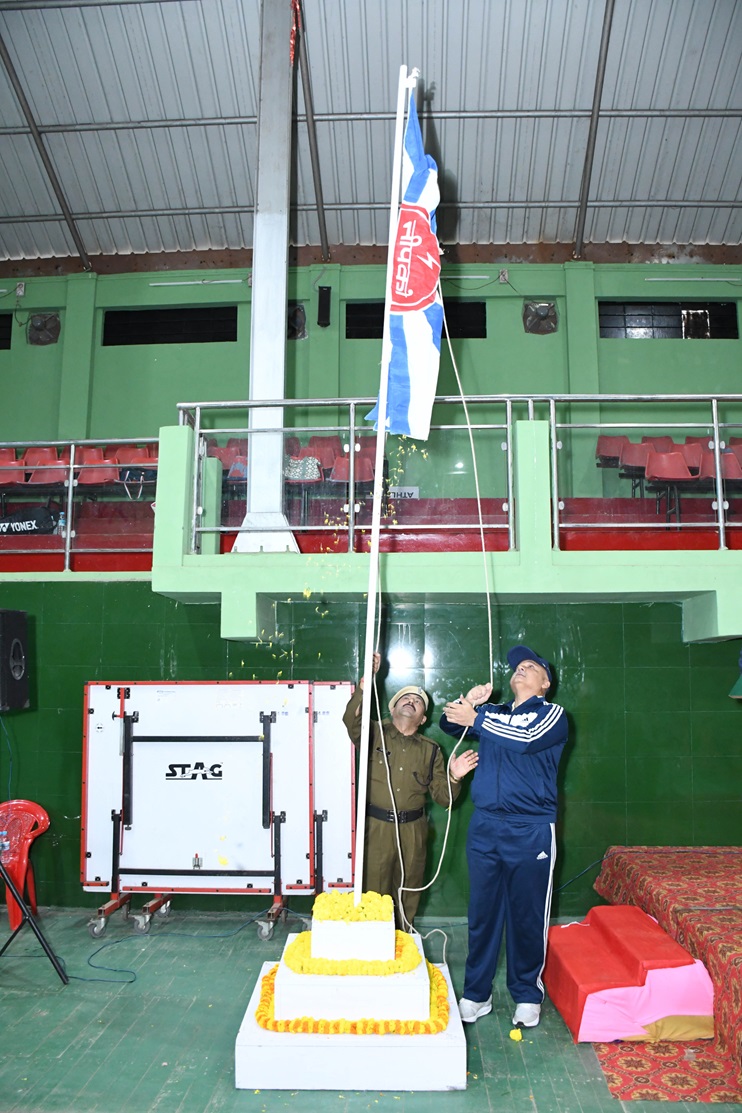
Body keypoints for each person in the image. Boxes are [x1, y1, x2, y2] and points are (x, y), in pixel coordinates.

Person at [440, 644, 568, 1029]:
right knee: (482, 914)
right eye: (517, 667)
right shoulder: (494, 713)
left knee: (527, 915)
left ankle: (527, 993)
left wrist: (477, 717)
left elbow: (525, 737)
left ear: (545, 683)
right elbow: (449, 723)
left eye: (530, 667)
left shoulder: (552, 715)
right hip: (485, 827)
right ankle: (476, 994)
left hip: (530, 829)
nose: (520, 670)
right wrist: (469, 702)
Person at [343, 652, 478, 928]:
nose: (411, 701)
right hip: (376, 829)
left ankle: (404, 943)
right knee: (372, 897)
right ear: (392, 709)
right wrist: (366, 683)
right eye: (405, 698)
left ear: (423, 718)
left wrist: (454, 776)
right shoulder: (373, 733)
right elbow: (351, 720)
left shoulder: (431, 750)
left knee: (408, 893)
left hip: (413, 832)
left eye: (417, 701)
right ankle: (372, 947)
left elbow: (444, 798)